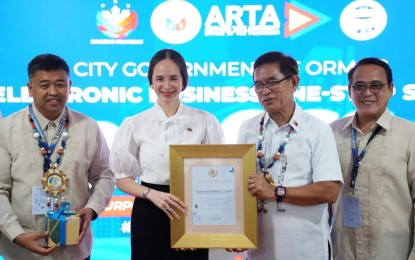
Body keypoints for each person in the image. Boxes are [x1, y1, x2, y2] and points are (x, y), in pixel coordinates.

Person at [109, 49, 224, 260]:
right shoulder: (134, 124)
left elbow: (218, 172)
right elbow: (121, 178)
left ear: (184, 81)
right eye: (159, 79)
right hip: (149, 210)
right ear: (151, 82)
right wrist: (151, 194)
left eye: (174, 78)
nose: (167, 86)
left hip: (192, 209)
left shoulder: (205, 121)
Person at [0, 54, 115, 259]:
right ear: (29, 88)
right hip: (22, 250)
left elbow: (104, 176)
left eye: (60, 84)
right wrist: (16, 235)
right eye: (44, 85)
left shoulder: (88, 127)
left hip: (74, 248)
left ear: (70, 86)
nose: (53, 92)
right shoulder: (6, 129)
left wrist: (92, 208)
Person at [237, 51, 343, 259]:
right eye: (258, 85)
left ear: (294, 82)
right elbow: (238, 186)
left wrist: (276, 191)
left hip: (306, 249)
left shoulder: (317, 129)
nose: (264, 91)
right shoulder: (247, 128)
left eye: (272, 82)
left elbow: (329, 191)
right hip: (259, 250)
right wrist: (233, 233)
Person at [330, 57, 415, 259]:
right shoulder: (332, 132)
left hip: (394, 253)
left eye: (376, 86)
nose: (367, 93)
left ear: (391, 89)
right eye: (359, 86)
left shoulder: (410, 134)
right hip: (343, 250)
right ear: (349, 90)